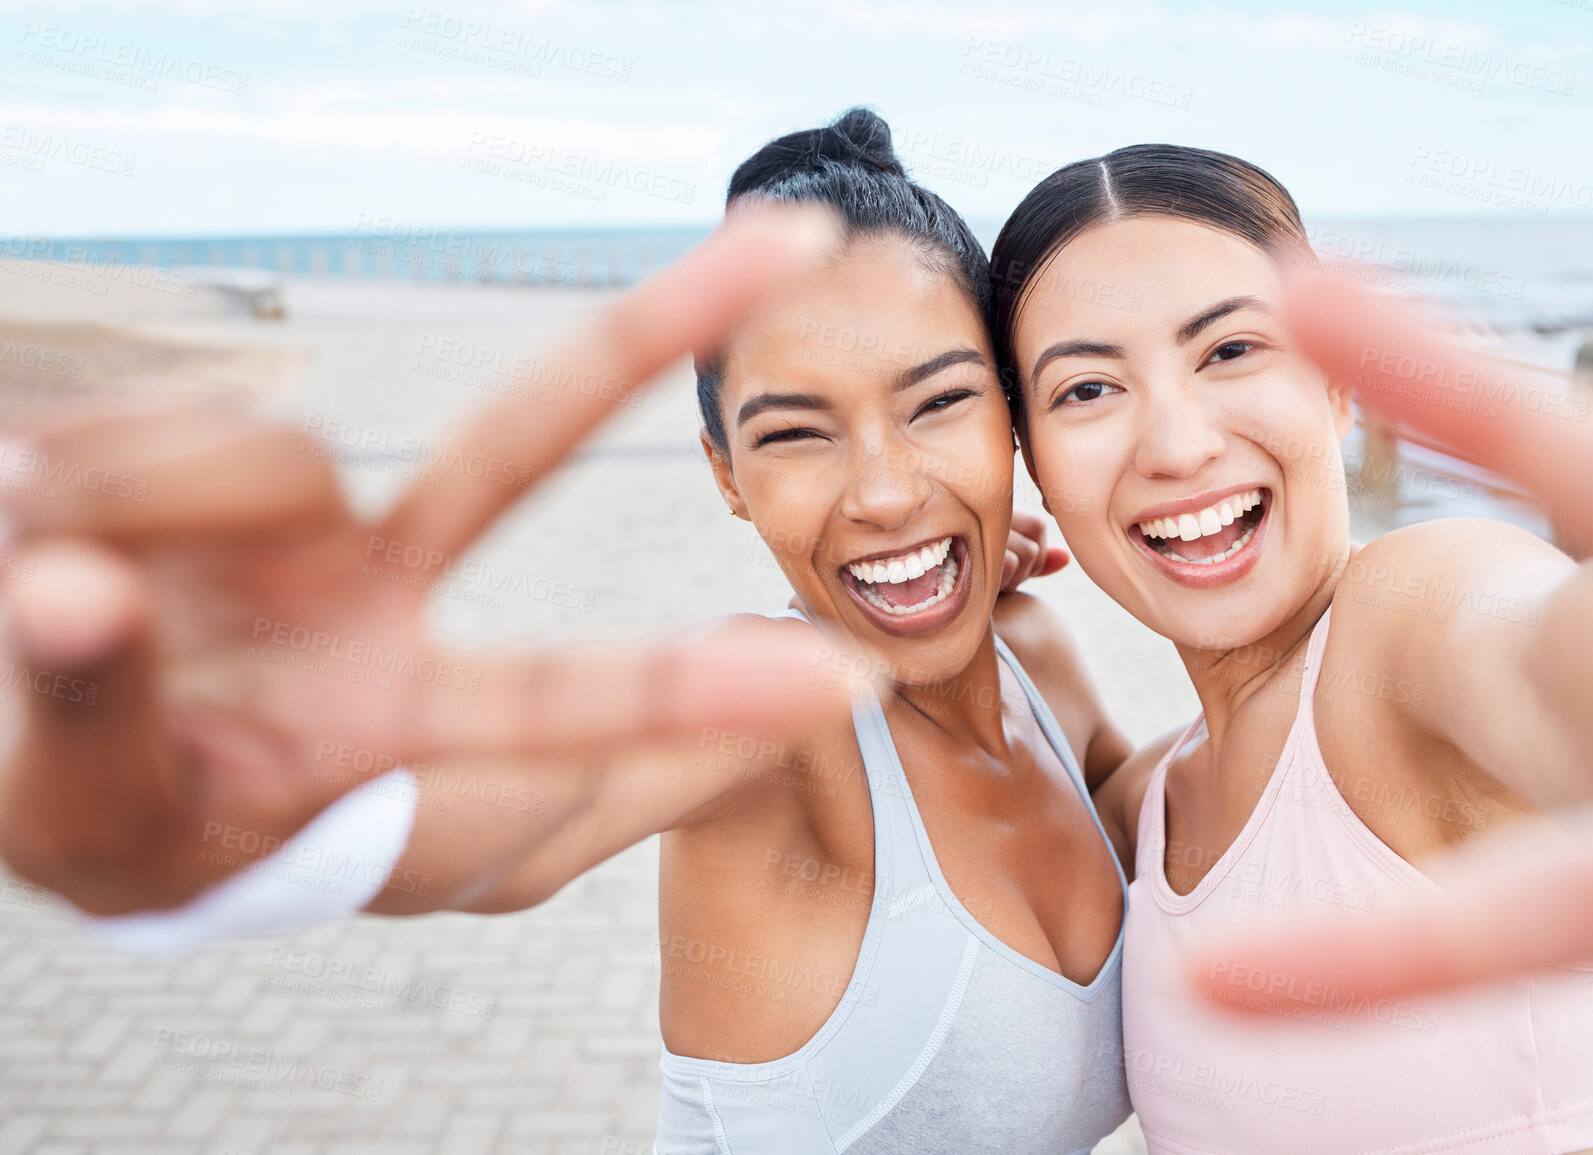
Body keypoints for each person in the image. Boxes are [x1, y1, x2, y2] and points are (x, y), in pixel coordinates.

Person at [0, 110, 1138, 1153]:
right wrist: (191, 824)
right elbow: (523, 827)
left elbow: (1211, 821)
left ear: (1012, 415)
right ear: (725, 476)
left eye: (939, 401)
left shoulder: (1038, 661)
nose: (885, 494)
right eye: (796, 433)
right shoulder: (774, 713)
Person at [990, 144, 1593, 1153]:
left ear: (1339, 389)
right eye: (1086, 390)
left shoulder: (1405, 625)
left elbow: (1545, 658)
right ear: (1034, 467)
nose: (1176, 445)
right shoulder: (1155, 806)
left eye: (1229, 351)